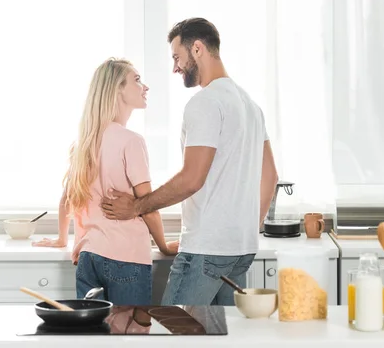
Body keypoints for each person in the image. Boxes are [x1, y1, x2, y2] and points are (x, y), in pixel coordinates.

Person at [100, 18, 279, 305]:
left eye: (177, 57)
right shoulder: (250, 106)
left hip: (206, 250)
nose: (175, 67)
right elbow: (270, 178)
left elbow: (192, 179)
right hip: (242, 250)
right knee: (221, 336)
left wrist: (135, 206)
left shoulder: (205, 103)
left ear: (197, 49)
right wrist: (243, 230)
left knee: (174, 335)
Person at [33, 58, 179, 304]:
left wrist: (62, 238)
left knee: (93, 337)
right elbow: (147, 204)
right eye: (137, 80)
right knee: (129, 337)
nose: (145, 87)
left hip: (89, 258)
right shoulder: (131, 141)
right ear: (117, 89)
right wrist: (163, 246)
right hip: (126, 258)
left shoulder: (85, 142)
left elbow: (66, 199)